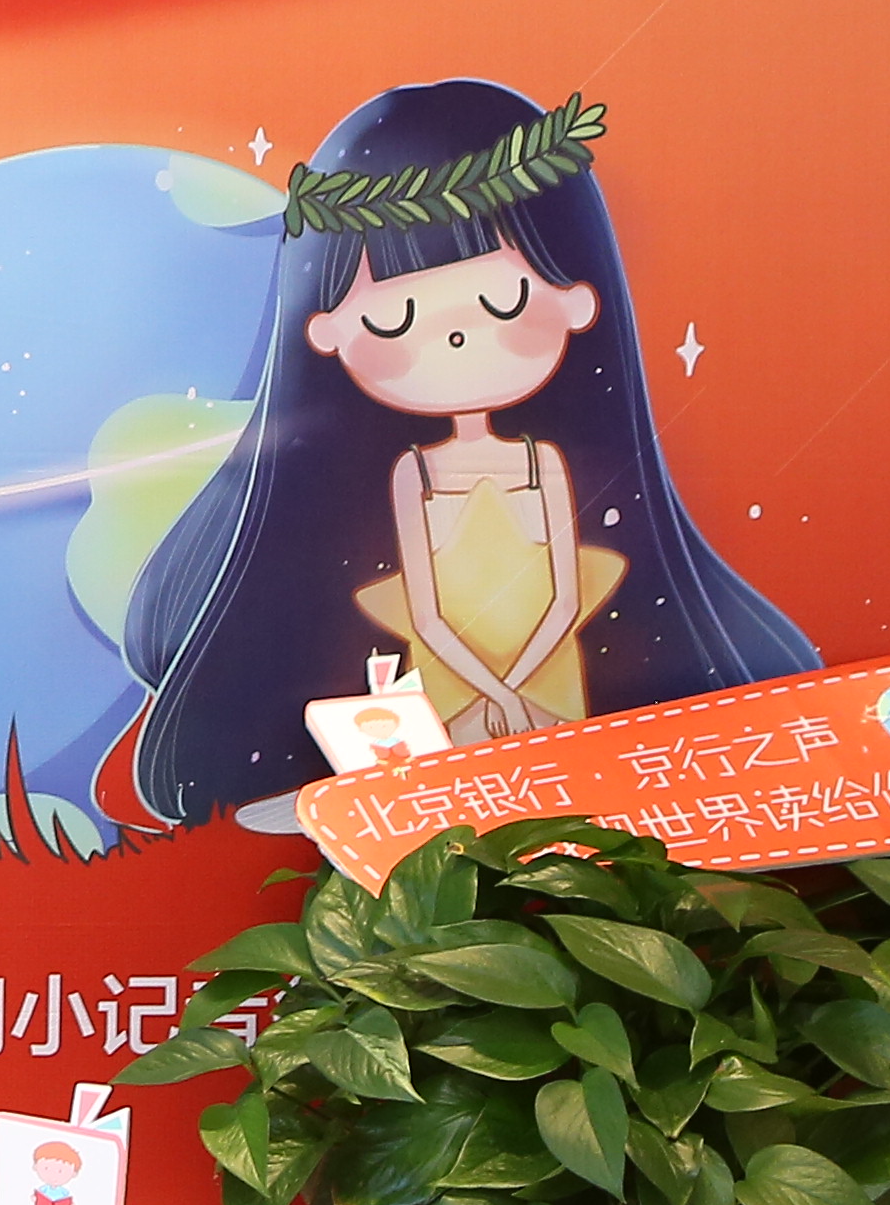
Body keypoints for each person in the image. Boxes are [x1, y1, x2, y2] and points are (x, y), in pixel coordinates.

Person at [115, 81, 817, 830]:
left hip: (554, 690)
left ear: (578, 298)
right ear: (326, 331)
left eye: (504, 303)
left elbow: (565, 599)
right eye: (396, 318)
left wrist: (523, 692)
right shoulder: (411, 475)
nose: (454, 337)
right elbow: (426, 611)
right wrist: (492, 694)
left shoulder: (548, 465)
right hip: (451, 699)